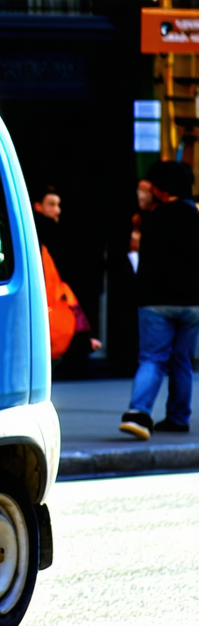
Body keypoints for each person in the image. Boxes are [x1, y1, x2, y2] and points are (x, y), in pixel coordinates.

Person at [119, 161, 199, 439]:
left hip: (156, 301)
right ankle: (178, 418)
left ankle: (139, 412)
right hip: (192, 301)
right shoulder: (195, 217)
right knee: (182, 360)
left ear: (162, 190)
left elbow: (145, 264)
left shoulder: (153, 219)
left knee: (152, 358)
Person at [33, 185, 100, 361]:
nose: (57, 210)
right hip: (53, 296)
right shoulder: (48, 234)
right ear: (37, 206)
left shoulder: (38, 232)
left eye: (58, 205)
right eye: (52, 204)